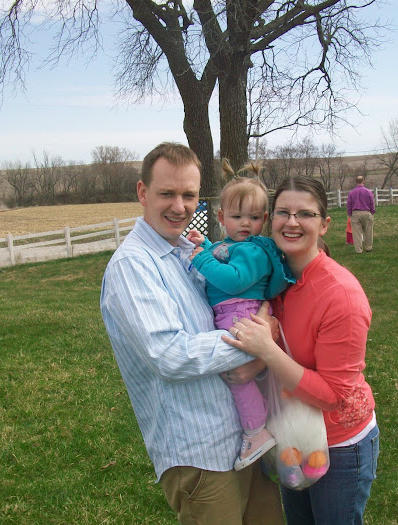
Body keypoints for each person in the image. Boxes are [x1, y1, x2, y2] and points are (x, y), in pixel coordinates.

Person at [99, 143, 284, 525]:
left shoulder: (190, 250)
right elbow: (169, 354)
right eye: (167, 193)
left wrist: (260, 353)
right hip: (200, 452)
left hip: (245, 436)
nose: (179, 206)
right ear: (142, 193)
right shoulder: (133, 266)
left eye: (189, 194)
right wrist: (259, 341)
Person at [222, 176, 379, 525]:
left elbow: (333, 395)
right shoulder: (273, 276)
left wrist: (266, 352)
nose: (292, 222)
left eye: (305, 214)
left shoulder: (342, 296)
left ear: (324, 225)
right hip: (290, 433)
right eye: (283, 212)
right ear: (270, 219)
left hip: (339, 445)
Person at [186, 159, 294, 471]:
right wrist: (206, 245)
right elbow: (222, 254)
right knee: (240, 376)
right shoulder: (232, 244)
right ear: (221, 217)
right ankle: (258, 427)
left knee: (238, 379)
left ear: (264, 218)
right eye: (236, 216)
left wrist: (201, 260)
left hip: (241, 315)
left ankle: (256, 432)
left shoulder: (255, 251)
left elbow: (233, 279)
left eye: (254, 217)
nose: (245, 223)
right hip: (235, 313)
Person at [346, 175, 376, 253]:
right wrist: (372, 212)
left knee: (357, 233)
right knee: (368, 231)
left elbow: (349, 204)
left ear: (356, 182)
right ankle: (368, 247)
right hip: (366, 212)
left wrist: (350, 213)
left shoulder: (351, 193)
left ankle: (358, 250)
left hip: (355, 213)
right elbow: (372, 203)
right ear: (363, 181)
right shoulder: (368, 191)